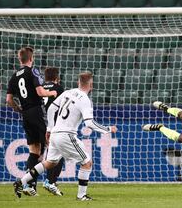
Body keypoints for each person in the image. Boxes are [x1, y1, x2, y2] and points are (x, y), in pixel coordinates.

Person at [13, 72, 117, 201]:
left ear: (78, 82)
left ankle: (21, 182)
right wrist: (107, 129)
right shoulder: (85, 99)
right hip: (66, 135)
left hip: (55, 133)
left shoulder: (68, 92)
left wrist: (50, 128)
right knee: (87, 163)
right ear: (91, 85)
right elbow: (89, 123)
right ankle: (81, 196)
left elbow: (51, 109)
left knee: (50, 163)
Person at [6, 47, 57, 195]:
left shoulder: (14, 76)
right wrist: (52, 92)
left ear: (19, 59)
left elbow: (9, 100)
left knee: (34, 150)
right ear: (31, 58)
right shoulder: (33, 71)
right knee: (50, 145)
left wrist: (19, 109)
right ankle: (50, 182)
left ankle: (29, 185)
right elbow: (40, 92)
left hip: (26, 114)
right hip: (36, 111)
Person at [41, 67, 65, 196]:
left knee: (38, 154)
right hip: (53, 125)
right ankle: (50, 181)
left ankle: (29, 183)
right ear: (57, 77)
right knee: (58, 154)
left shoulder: (39, 87)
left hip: (39, 123)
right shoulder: (59, 88)